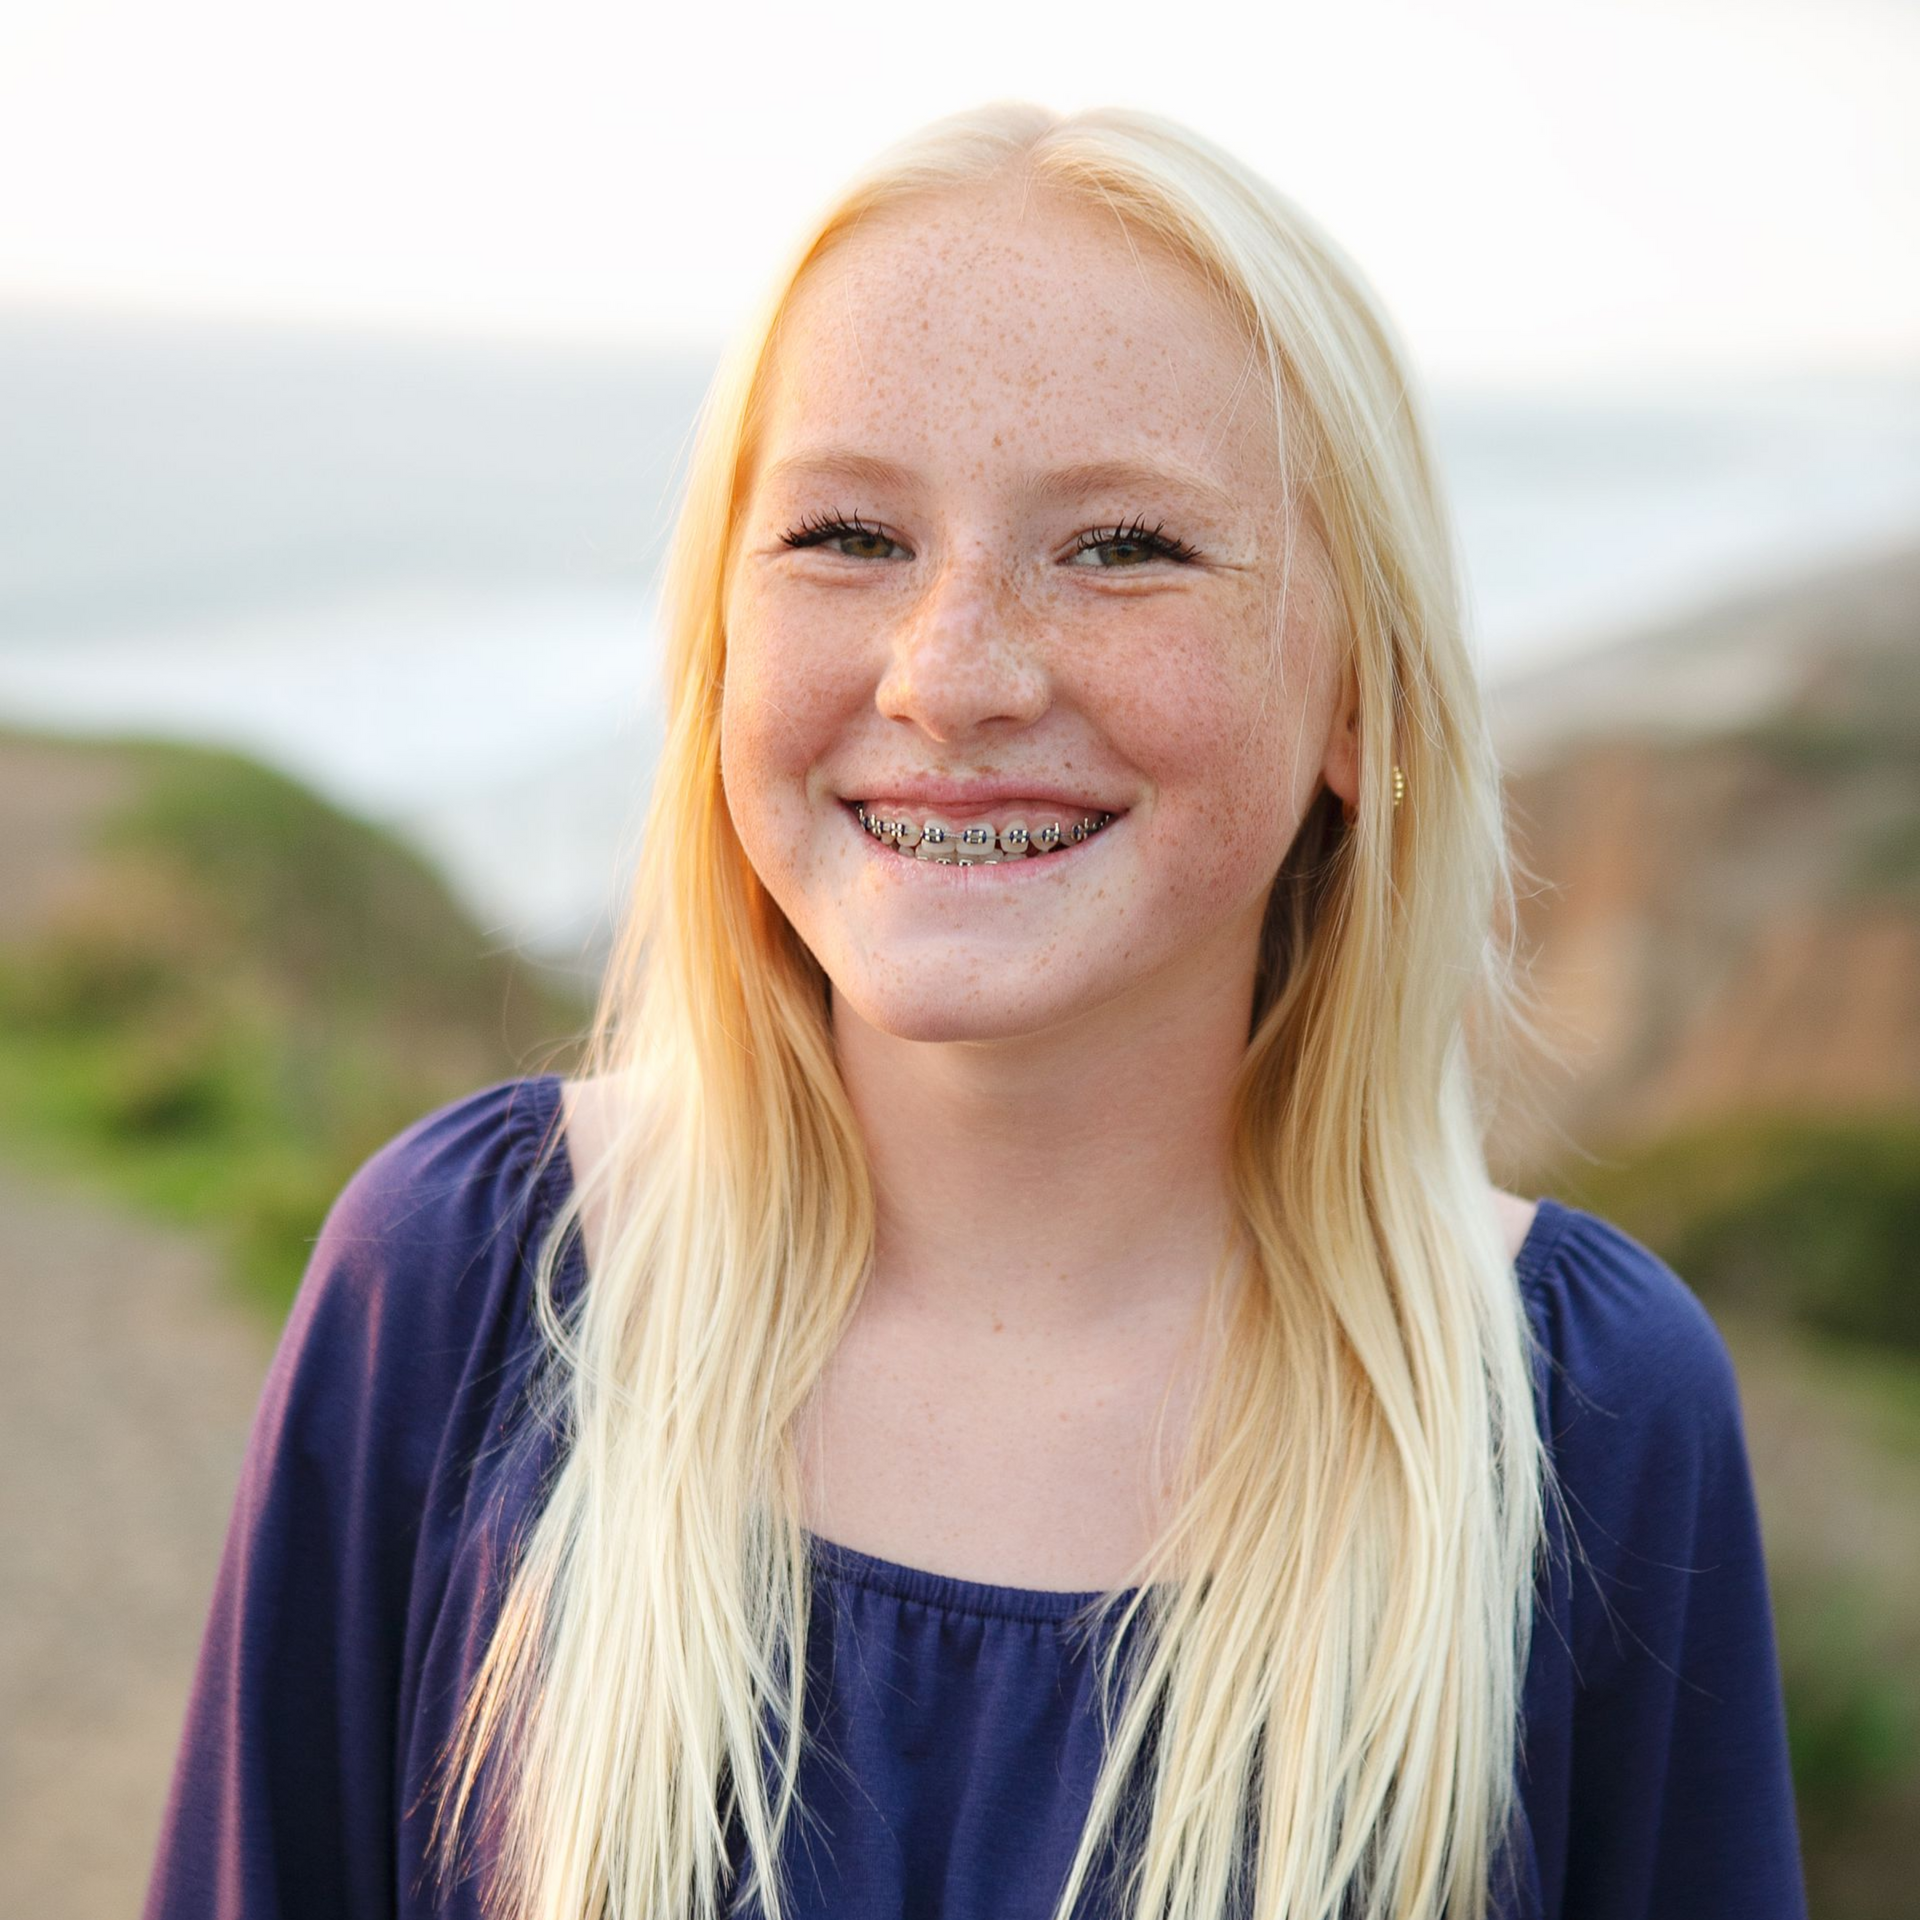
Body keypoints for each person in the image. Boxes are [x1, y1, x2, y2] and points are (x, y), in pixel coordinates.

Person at [142, 101, 1806, 1920]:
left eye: (1123, 549)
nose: (951, 677)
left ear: (1363, 701)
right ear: (719, 647)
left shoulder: (1569, 1414)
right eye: (848, 533)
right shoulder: (464, 1294)